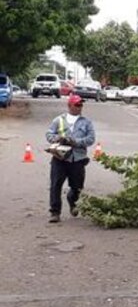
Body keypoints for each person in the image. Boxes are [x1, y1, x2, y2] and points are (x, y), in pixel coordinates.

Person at [45, 94, 96, 223]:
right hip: (60, 158)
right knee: (55, 185)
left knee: (77, 186)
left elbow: (91, 139)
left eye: (81, 105)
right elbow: (49, 134)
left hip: (77, 159)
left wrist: (75, 142)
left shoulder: (86, 122)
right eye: (77, 104)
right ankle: (55, 212)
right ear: (69, 106)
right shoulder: (59, 120)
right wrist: (57, 138)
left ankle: (72, 201)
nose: (80, 107)